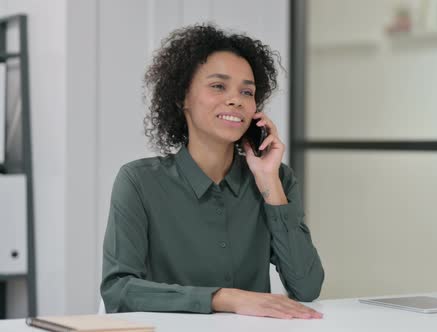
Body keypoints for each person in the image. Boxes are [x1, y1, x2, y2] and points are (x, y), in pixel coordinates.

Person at [100, 24, 324, 319]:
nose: (236, 99)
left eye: (247, 91)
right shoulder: (139, 181)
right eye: (218, 86)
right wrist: (222, 298)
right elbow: (119, 291)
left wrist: (269, 181)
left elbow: (307, 287)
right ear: (183, 98)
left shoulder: (277, 180)